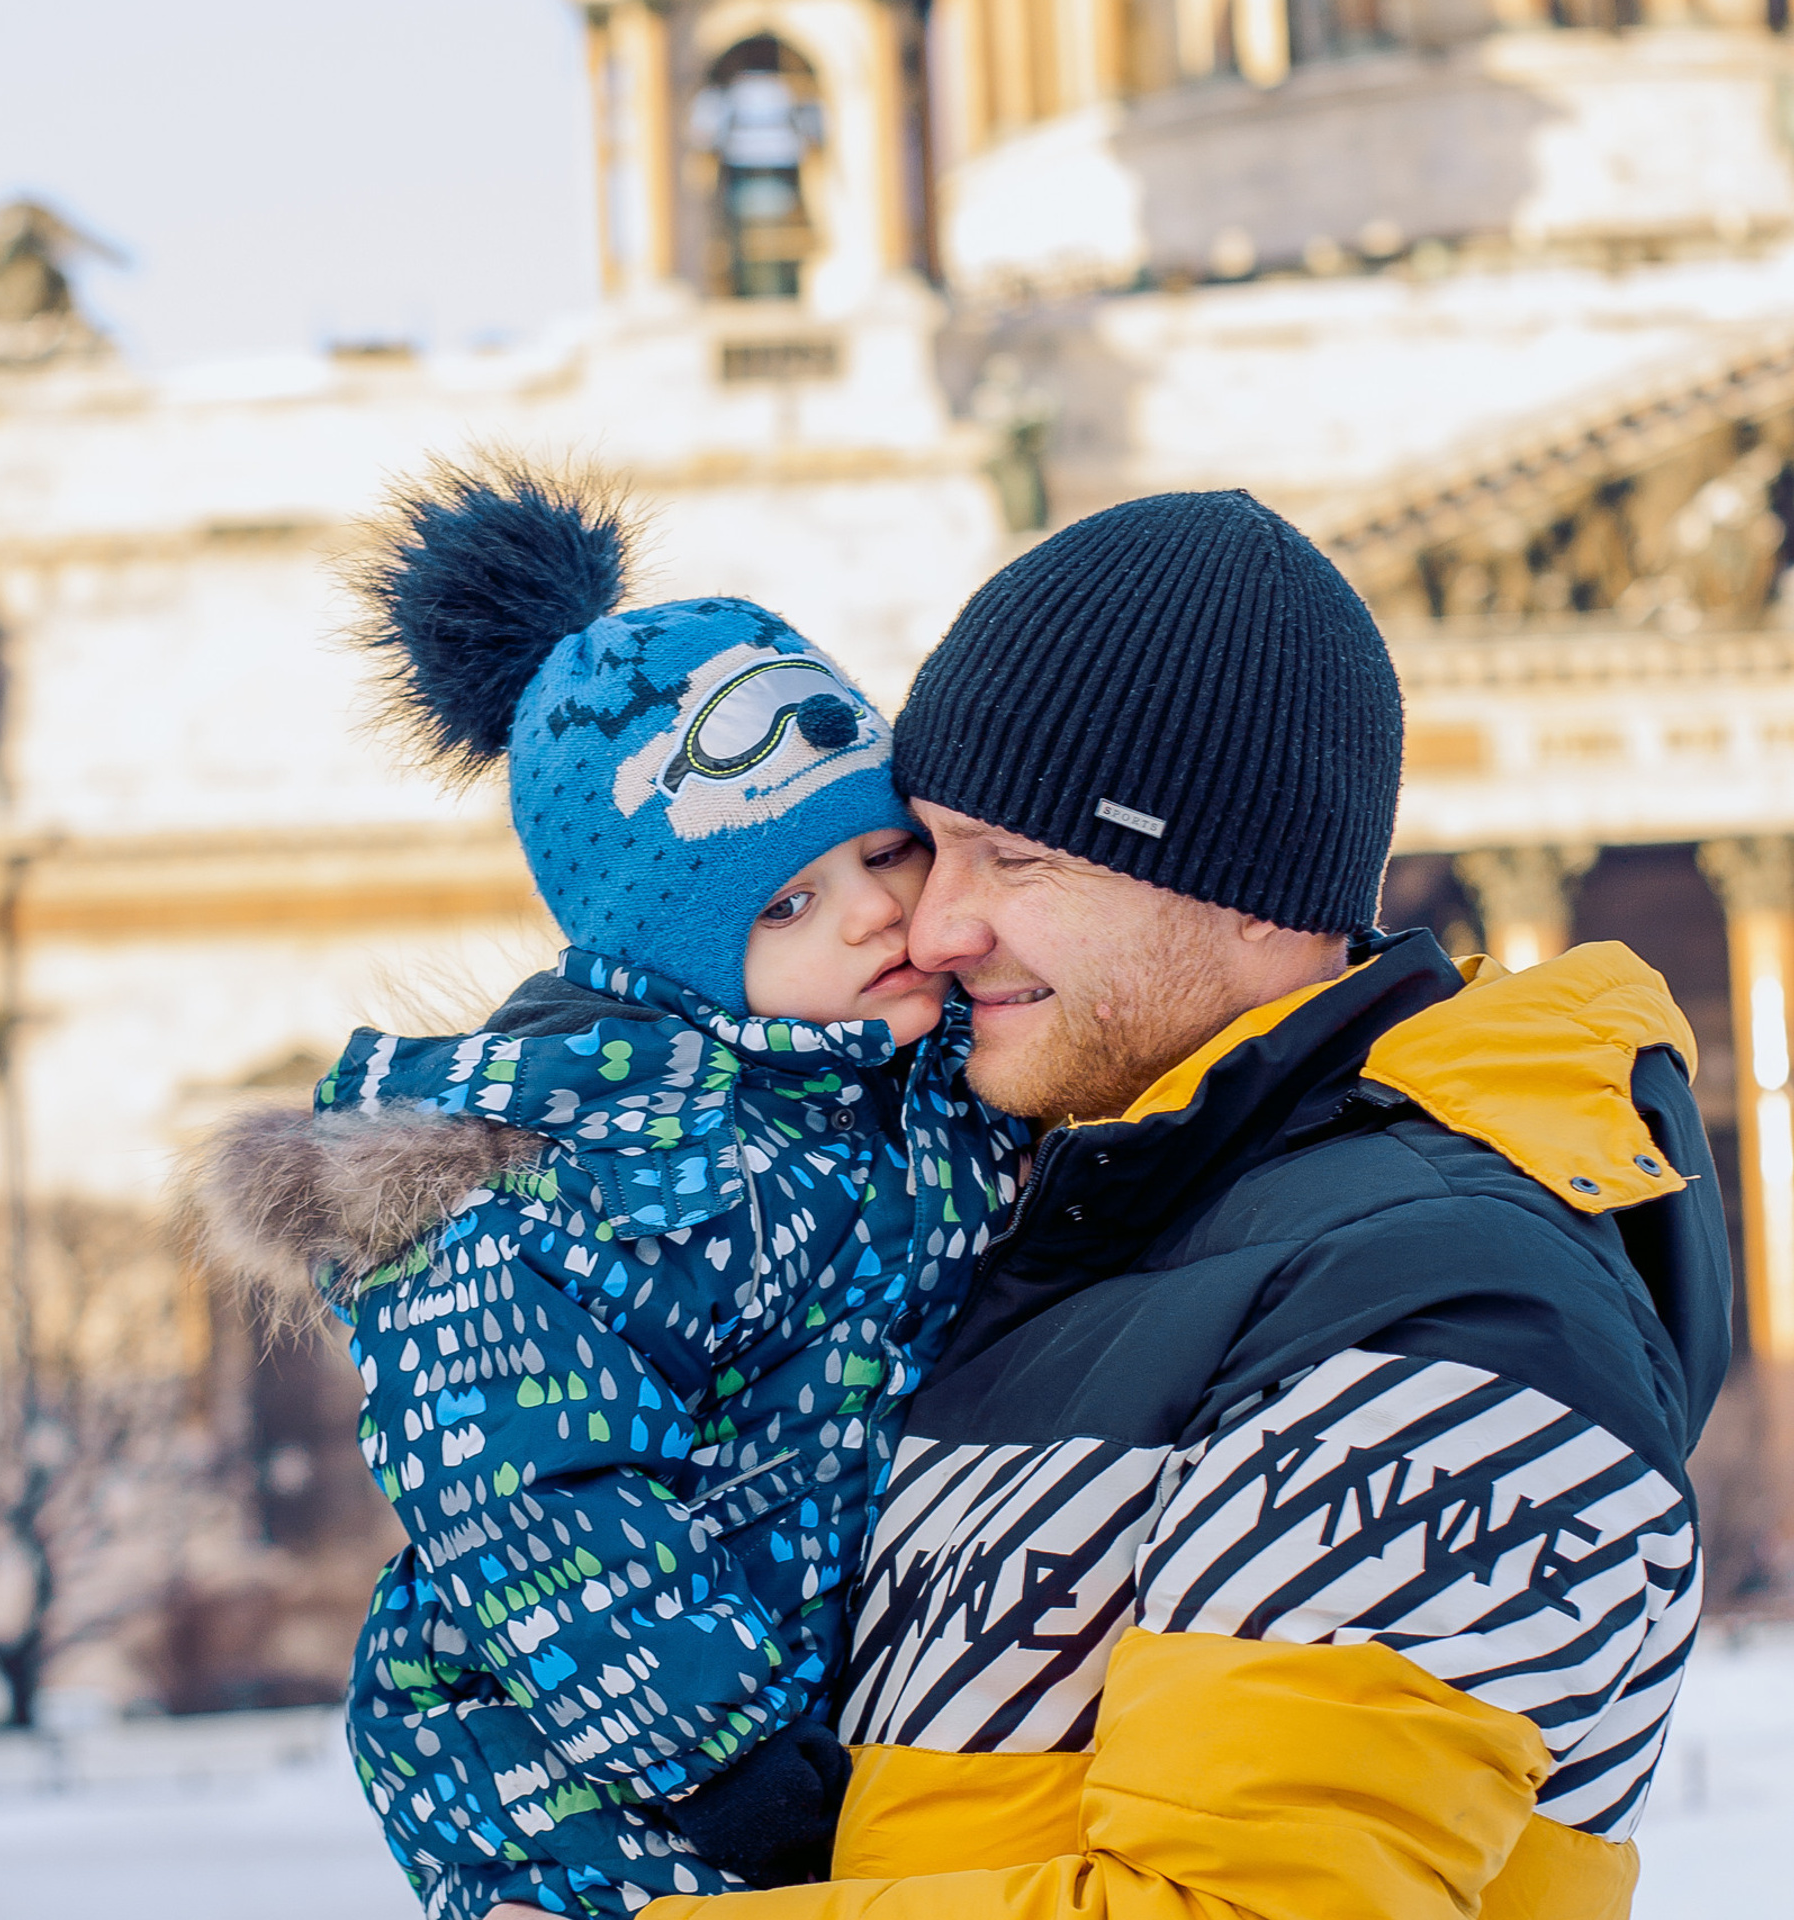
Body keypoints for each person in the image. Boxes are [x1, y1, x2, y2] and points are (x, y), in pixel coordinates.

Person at [506, 490, 1727, 1920]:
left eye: (1015, 859)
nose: (935, 929)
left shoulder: (1446, 1304)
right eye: (929, 847)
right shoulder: (1081, 1234)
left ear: (1254, 890)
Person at [189, 460, 1027, 1920]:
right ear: (679, 963)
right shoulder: (567, 1192)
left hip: (828, 1740)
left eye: (886, 851)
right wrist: (733, 1772)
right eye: (786, 902)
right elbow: (532, 1502)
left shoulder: (918, 1106)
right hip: (587, 1788)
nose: (879, 910)